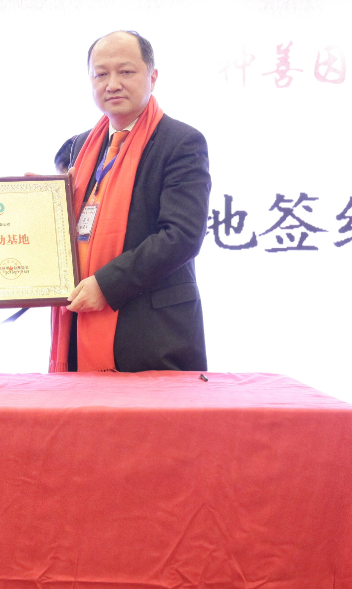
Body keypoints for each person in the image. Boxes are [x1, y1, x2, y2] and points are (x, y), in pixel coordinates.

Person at [50, 31, 211, 373]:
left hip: (153, 334)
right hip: (81, 321)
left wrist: (106, 286)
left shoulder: (181, 142)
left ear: (153, 76)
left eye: (126, 72)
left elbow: (181, 236)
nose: (112, 84)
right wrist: (40, 208)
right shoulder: (81, 146)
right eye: (101, 74)